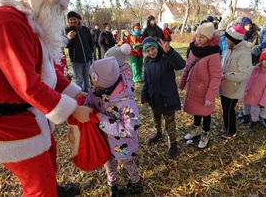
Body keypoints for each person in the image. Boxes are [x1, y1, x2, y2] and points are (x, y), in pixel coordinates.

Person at [0, 0, 92, 197]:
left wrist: (77, 95)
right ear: (46, 1)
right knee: (39, 186)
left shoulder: (30, 24)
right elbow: (26, 84)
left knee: (49, 158)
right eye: (58, 10)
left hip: (27, 113)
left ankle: (53, 188)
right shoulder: (9, 22)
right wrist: (74, 109)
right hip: (8, 121)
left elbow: (46, 74)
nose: (59, 17)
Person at [85, 57, 143, 196]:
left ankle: (136, 183)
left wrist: (101, 118)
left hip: (123, 144)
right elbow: (89, 101)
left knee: (128, 161)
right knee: (109, 163)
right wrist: (84, 107)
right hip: (105, 141)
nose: (91, 84)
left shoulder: (126, 102)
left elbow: (129, 129)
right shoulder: (97, 91)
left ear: (99, 80)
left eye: (92, 79)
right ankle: (113, 186)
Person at [141, 37, 186, 158]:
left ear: (157, 47)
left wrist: (170, 51)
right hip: (154, 97)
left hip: (167, 97)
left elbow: (181, 65)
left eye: (153, 49)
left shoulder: (166, 57)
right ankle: (158, 133)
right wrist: (144, 95)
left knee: (169, 122)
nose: (151, 52)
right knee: (156, 117)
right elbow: (146, 80)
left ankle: (173, 144)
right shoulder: (147, 61)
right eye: (148, 50)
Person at [179, 22, 221, 148]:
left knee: (205, 113)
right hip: (193, 88)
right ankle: (196, 129)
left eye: (202, 37)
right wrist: (182, 82)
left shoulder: (213, 54)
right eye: (197, 36)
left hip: (205, 91)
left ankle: (205, 133)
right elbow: (187, 67)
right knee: (196, 111)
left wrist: (210, 96)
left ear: (209, 38)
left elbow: (216, 77)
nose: (199, 39)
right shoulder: (193, 48)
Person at [220, 25, 252, 139]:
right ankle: (226, 125)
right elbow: (223, 63)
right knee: (224, 107)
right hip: (225, 84)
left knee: (229, 109)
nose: (225, 39)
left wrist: (225, 76)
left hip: (234, 86)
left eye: (227, 38)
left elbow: (244, 74)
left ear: (233, 40)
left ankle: (232, 131)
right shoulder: (229, 49)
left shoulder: (244, 53)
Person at [243, 50, 266, 129]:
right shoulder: (254, 69)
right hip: (248, 93)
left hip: (258, 97)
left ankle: (254, 122)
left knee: (255, 111)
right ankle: (246, 117)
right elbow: (246, 80)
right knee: (246, 107)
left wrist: (263, 102)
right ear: (261, 60)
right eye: (265, 60)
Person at [65, 11, 94, 92]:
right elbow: (65, 45)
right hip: (76, 60)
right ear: (68, 21)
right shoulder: (66, 31)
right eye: (70, 19)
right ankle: (79, 97)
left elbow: (91, 41)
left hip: (87, 59)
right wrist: (69, 38)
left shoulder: (85, 29)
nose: (73, 21)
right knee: (79, 80)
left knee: (87, 79)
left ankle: (87, 95)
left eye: (74, 19)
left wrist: (90, 52)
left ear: (78, 20)